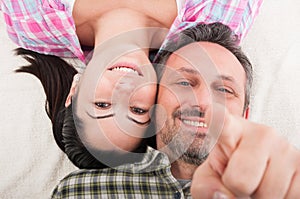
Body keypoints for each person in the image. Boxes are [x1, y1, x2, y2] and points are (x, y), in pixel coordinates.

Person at [1, 0, 263, 168]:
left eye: (101, 104)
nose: (123, 89)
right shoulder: (218, 20)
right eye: (137, 111)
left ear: (75, 89)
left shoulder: (29, 22)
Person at [52, 22, 300, 198]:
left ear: (245, 117)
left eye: (224, 90)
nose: (201, 102)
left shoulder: (279, 188)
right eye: (184, 83)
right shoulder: (80, 191)